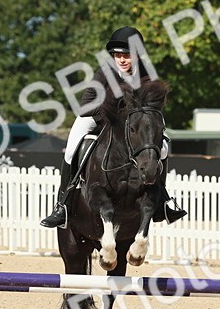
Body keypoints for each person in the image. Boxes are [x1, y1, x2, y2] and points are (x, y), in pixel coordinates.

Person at [40, 26, 187, 228]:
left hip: (134, 123)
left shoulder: (146, 74)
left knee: (162, 148)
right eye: (118, 55)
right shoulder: (105, 72)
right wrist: (114, 115)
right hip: (98, 117)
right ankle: (62, 205)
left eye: (127, 55)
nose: (122, 59)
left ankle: (163, 200)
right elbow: (86, 104)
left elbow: (153, 102)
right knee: (72, 146)